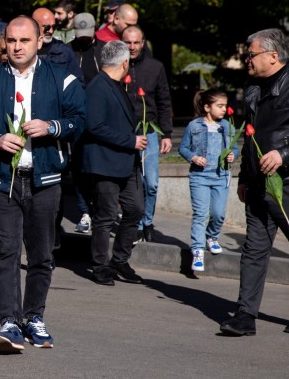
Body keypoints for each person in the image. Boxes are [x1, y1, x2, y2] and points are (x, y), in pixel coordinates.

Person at [0, 15, 85, 352]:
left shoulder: (62, 78)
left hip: (45, 179)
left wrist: (52, 127)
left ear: (39, 42)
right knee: (4, 253)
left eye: (24, 41)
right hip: (1, 180)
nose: (17, 47)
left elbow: (81, 120)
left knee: (42, 254)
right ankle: (9, 322)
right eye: (12, 41)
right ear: (4, 42)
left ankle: (34, 317)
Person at [221, 29, 289, 337]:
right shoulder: (252, 87)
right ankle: (245, 315)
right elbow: (250, 136)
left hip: (285, 181)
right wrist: (245, 178)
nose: (247, 59)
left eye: (252, 55)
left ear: (273, 56)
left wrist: (284, 154)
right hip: (259, 182)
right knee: (254, 249)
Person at [78, 41, 146, 286]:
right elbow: (94, 126)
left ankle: (120, 259)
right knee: (105, 215)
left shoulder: (115, 85)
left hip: (126, 163)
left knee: (135, 208)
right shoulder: (98, 87)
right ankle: (100, 265)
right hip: (105, 163)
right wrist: (130, 141)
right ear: (125, 62)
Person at [121, 25, 173, 242]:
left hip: (149, 131)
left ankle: (147, 221)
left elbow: (163, 100)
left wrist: (167, 133)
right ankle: (132, 222)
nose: (132, 47)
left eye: (136, 42)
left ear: (143, 43)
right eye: (127, 43)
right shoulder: (116, 66)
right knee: (130, 182)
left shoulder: (155, 67)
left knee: (150, 182)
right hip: (124, 133)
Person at [178, 89, 237, 273]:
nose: (224, 109)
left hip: (221, 176)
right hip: (200, 176)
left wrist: (232, 155)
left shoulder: (228, 126)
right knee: (200, 214)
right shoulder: (194, 126)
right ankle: (198, 250)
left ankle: (212, 237)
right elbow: (183, 148)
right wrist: (194, 157)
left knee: (218, 213)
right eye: (219, 106)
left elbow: (235, 148)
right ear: (206, 107)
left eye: (225, 106)